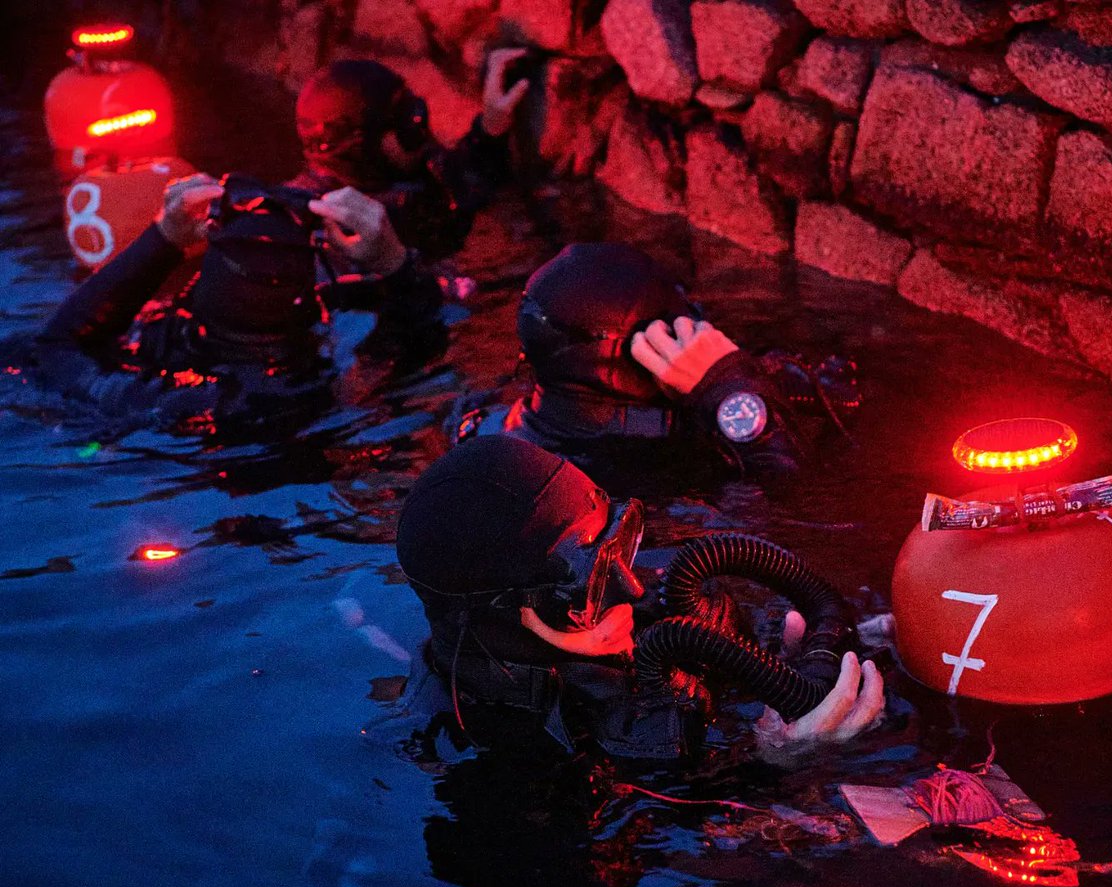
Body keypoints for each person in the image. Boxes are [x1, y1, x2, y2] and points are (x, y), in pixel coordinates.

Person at [394, 435, 884, 763]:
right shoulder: (490, 756)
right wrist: (776, 759)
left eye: (616, 542)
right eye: (584, 579)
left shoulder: (649, 608)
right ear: (499, 617)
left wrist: (793, 665)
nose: (629, 588)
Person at [25, 173, 444, 432]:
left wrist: (163, 240)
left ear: (196, 296)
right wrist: (393, 261)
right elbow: (421, 326)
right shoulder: (340, 390)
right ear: (313, 305)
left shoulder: (163, 403)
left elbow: (57, 345)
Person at [453, 242, 861, 478]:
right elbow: (800, 496)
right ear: (651, 347)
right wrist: (728, 388)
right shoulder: (683, 470)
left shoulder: (481, 427)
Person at [290, 52, 531, 262]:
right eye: (407, 124)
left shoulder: (410, 185)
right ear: (361, 147)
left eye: (415, 110)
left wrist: (491, 129)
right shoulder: (320, 233)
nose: (422, 130)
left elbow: (465, 179)